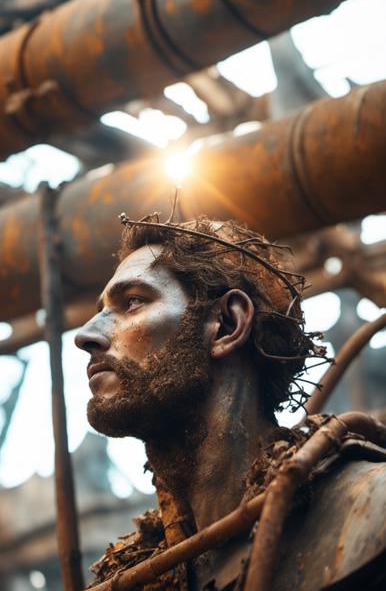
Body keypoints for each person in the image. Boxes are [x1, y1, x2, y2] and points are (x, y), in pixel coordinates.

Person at [75, 215, 386, 590]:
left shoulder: (369, 512)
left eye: (133, 302)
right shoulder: (138, 577)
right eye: (100, 311)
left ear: (226, 323)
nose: (86, 335)